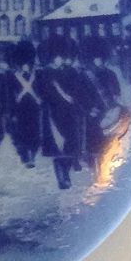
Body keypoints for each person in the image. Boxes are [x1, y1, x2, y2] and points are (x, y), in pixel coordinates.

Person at [40, 36, 86, 189]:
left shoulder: (70, 71)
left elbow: (77, 90)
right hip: (54, 115)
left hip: (70, 114)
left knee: (70, 146)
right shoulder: (45, 73)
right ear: (53, 57)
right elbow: (44, 94)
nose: (61, 59)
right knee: (58, 148)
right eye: (58, 57)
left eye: (62, 56)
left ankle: (66, 173)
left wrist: (74, 99)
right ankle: (62, 178)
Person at [78, 36, 125, 171]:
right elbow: (81, 95)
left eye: (101, 58)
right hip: (93, 112)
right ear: (91, 59)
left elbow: (116, 92)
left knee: (108, 140)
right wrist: (89, 108)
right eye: (96, 58)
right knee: (93, 141)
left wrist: (116, 104)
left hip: (109, 111)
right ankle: (93, 163)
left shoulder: (110, 74)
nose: (99, 61)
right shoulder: (84, 76)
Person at [6, 38, 42, 168]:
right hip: (19, 109)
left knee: (34, 132)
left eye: (28, 62)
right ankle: (24, 154)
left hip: (33, 108)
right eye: (23, 63)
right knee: (20, 133)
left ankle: (32, 155)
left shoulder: (37, 75)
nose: (26, 65)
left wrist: (40, 100)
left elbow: (41, 91)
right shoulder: (13, 76)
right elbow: (9, 95)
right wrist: (11, 111)